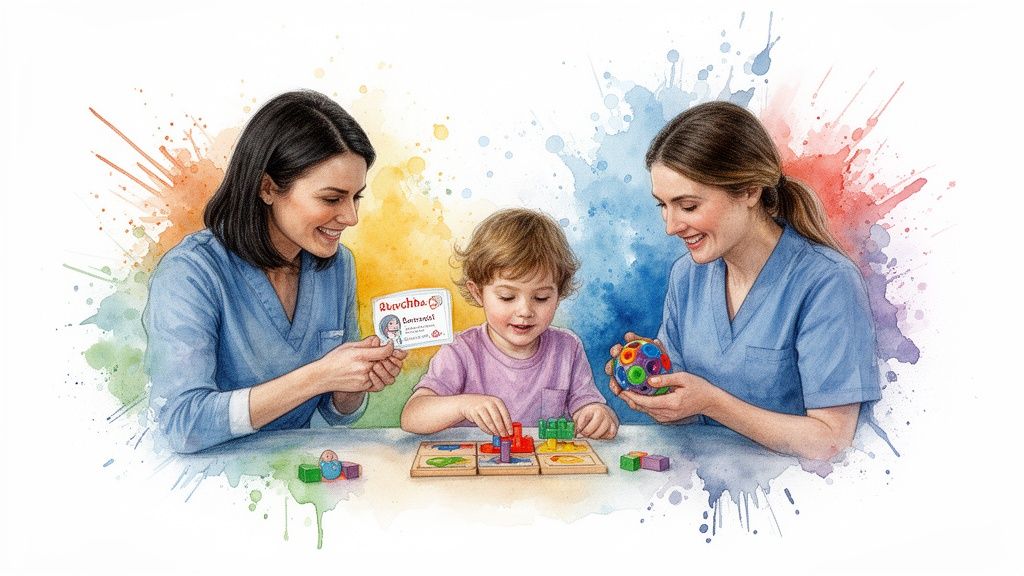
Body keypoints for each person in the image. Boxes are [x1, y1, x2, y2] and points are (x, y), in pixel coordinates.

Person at [607, 101, 879, 460]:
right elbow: (683, 409)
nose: (671, 227)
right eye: (663, 206)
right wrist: (655, 391)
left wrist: (712, 402)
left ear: (750, 191)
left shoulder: (828, 282)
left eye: (688, 206)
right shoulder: (686, 276)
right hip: (703, 485)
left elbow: (831, 441)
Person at [144, 90, 407, 454]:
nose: (351, 217)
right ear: (268, 188)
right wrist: (319, 375)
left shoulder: (337, 265)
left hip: (299, 470)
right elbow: (183, 425)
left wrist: (351, 384)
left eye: (355, 196)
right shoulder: (190, 273)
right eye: (331, 199)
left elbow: (337, 414)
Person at [401, 208, 618, 439]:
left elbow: (590, 407)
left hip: (545, 471)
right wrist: (463, 405)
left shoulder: (568, 348)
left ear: (558, 295)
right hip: (479, 471)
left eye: (541, 297)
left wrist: (600, 415)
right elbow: (412, 416)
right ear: (478, 293)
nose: (525, 311)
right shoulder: (460, 350)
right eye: (507, 297)